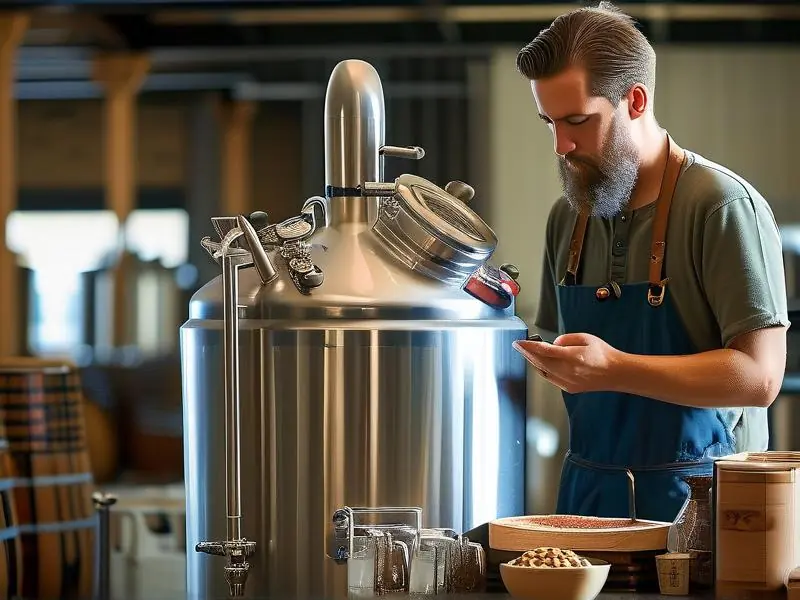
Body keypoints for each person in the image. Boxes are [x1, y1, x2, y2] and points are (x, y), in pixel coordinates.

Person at [511, 1, 790, 523]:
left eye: (577, 120)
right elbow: (555, 347)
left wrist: (614, 369)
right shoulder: (567, 217)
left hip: (705, 511)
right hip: (587, 507)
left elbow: (760, 376)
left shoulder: (720, 207)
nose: (561, 145)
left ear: (635, 100)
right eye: (548, 122)